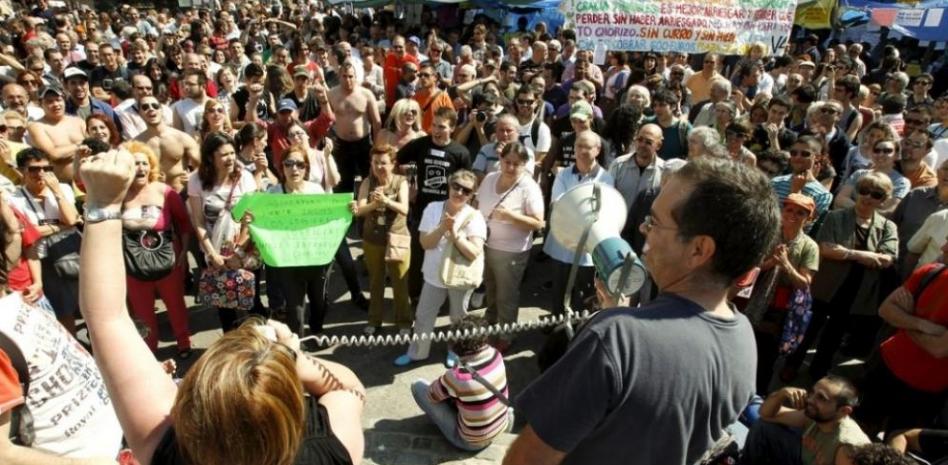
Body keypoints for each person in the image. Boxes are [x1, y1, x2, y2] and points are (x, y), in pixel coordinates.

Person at [76, 148, 365, 465]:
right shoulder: (329, 450)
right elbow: (350, 390)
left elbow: (107, 319)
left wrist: (102, 204)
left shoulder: (169, 449)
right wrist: (292, 359)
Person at [504, 158, 779, 465]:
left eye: (655, 221)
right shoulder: (742, 336)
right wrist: (624, 317)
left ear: (699, 249)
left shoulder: (614, 338)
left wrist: (618, 326)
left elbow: (526, 460)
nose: (642, 229)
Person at [783, 171, 898, 382]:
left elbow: (887, 260)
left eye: (876, 194)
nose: (868, 197)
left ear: (884, 200)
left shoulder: (888, 227)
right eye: (864, 190)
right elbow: (826, 248)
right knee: (809, 328)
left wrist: (845, 253)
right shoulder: (835, 216)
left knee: (834, 336)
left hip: (857, 292)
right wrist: (865, 255)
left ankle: (818, 373)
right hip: (826, 286)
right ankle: (792, 364)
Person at [393, 170, 485, 367]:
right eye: (456, 186)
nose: (460, 192)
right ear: (449, 186)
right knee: (424, 315)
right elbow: (425, 243)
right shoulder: (433, 209)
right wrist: (443, 228)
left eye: (466, 190)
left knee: (458, 317)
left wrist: (454, 234)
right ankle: (417, 352)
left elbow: (474, 252)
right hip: (434, 274)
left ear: (472, 195)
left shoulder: (475, 217)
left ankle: (456, 352)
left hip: (459, 276)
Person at [857, 253, 948, 438]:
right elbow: (885, 309)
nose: (943, 247)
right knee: (857, 429)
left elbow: (939, 349)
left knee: (897, 444)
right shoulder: (930, 272)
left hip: (924, 391)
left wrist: (904, 320)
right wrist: (921, 324)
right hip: (884, 368)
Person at [122, 141, 193, 357]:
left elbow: (184, 223)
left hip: (166, 258)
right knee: (143, 311)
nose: (141, 168)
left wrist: (183, 253)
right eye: (135, 164)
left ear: (151, 166)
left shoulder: (165, 191)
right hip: (133, 263)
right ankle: (149, 350)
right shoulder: (118, 195)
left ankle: (184, 343)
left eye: (144, 163)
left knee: (176, 304)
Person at [396, 107, 471, 302]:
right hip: (422, 212)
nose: (436, 131)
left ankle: (444, 297)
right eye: (434, 125)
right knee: (418, 256)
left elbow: (466, 184)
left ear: (453, 128)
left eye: (442, 127)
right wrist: (409, 185)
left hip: (448, 214)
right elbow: (397, 159)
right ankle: (414, 295)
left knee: (445, 256)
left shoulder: (460, 152)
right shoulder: (420, 144)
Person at [187, 132, 260, 331]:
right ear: (210, 157)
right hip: (213, 251)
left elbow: (250, 219)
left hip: (243, 248)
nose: (230, 159)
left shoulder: (244, 177)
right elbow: (198, 221)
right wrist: (212, 254)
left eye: (232, 153)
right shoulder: (196, 180)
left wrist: (239, 252)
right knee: (224, 303)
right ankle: (231, 343)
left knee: (250, 300)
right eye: (224, 154)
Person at [748, 193, 820, 395]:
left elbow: (805, 284)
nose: (793, 215)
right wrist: (771, 263)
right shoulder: (767, 234)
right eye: (789, 209)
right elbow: (749, 267)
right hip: (752, 302)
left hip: (779, 312)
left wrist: (786, 265)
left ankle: (756, 400)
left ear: (809, 218)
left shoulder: (809, 246)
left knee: (765, 360)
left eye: (800, 212)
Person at [477, 142, 544, 353]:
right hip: (486, 245)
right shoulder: (489, 179)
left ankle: (506, 334)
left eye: (517, 163)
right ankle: (489, 325)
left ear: (525, 165)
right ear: (500, 160)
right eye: (507, 162)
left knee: (506, 295)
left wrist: (510, 217)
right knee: (491, 289)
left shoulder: (529, 187)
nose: (511, 167)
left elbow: (538, 223)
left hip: (512, 251)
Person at [411, 315, 512, 451]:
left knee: (418, 386)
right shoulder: (496, 354)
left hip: (471, 443)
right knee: (461, 395)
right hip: (501, 427)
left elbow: (432, 395)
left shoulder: (458, 376)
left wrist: (449, 381)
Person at [263, 144, 334, 337]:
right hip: (288, 261)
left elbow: (328, 219)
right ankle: (297, 343)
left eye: (300, 165)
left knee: (319, 301)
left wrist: (349, 210)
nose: (294, 169)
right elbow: (264, 224)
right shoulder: (273, 194)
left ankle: (317, 330)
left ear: (306, 168)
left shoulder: (316, 191)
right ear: (282, 167)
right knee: (294, 308)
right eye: (289, 164)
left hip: (316, 258)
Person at [543, 130, 615, 316]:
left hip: (588, 247)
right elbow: (557, 204)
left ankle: (581, 328)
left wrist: (573, 207)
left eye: (587, 147)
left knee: (585, 291)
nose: (582, 151)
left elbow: (602, 211)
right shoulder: (563, 175)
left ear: (597, 150)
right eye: (579, 146)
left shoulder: (606, 178)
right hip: (562, 240)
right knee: (559, 287)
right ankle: (556, 326)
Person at [10, 147, 80, 334]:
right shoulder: (14, 198)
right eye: (34, 169)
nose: (41, 173)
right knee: (63, 310)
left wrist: (57, 191)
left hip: (71, 252)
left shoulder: (62, 189)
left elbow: (72, 218)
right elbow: (25, 232)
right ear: (22, 171)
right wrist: (61, 226)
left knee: (90, 304)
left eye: (47, 168)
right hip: (42, 260)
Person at [350, 145, 411, 336]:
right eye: (375, 162)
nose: (379, 167)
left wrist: (387, 202)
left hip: (397, 238)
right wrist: (375, 204)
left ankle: (404, 323)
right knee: (375, 282)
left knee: (400, 282)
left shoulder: (401, 182)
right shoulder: (368, 182)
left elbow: (405, 209)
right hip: (372, 239)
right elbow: (359, 210)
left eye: (383, 163)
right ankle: (374, 320)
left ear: (393, 164)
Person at [742, 376, 870, 465]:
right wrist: (781, 394)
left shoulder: (848, 447)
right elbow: (765, 415)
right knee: (763, 425)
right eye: (812, 392)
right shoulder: (814, 415)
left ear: (843, 411)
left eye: (821, 398)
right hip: (800, 457)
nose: (810, 400)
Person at [328, 61, 382, 193]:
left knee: (369, 179)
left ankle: (368, 210)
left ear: (356, 77)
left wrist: (376, 146)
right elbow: (326, 120)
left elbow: (376, 122)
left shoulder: (366, 94)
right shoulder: (331, 94)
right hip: (342, 144)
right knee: (343, 182)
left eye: (351, 76)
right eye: (344, 76)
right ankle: (345, 213)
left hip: (363, 144)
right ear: (339, 77)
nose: (348, 80)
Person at [25, 85, 86, 184]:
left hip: (88, 181)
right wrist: (81, 145)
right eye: (50, 101)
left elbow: (93, 146)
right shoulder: (36, 126)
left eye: (59, 100)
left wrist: (69, 151)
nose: (56, 104)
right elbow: (54, 154)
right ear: (40, 104)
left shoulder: (78, 122)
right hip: (62, 183)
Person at [770, 136, 833, 230]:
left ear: (817, 157)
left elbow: (803, 226)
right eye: (793, 153)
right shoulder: (775, 182)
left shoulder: (823, 195)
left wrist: (796, 191)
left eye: (805, 154)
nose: (797, 157)